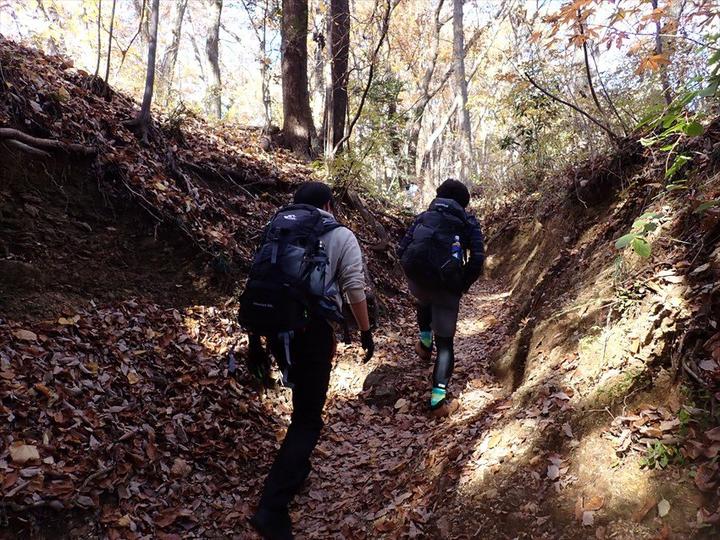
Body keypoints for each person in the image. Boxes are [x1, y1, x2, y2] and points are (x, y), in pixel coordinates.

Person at [245, 182, 374, 540]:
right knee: (307, 419)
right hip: (311, 330)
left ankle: (296, 467)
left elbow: (260, 277)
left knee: (300, 399)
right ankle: (272, 506)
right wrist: (365, 331)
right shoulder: (340, 234)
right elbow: (354, 287)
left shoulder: (277, 227)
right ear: (329, 205)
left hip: (272, 325)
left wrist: (255, 338)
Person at [398, 178, 484, 417]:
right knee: (445, 344)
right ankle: (437, 401)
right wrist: (462, 284)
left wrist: (413, 274)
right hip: (447, 287)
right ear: (463, 203)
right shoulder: (468, 222)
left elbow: (401, 249)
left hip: (418, 282)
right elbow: (477, 258)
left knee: (424, 299)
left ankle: (425, 342)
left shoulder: (424, 217)